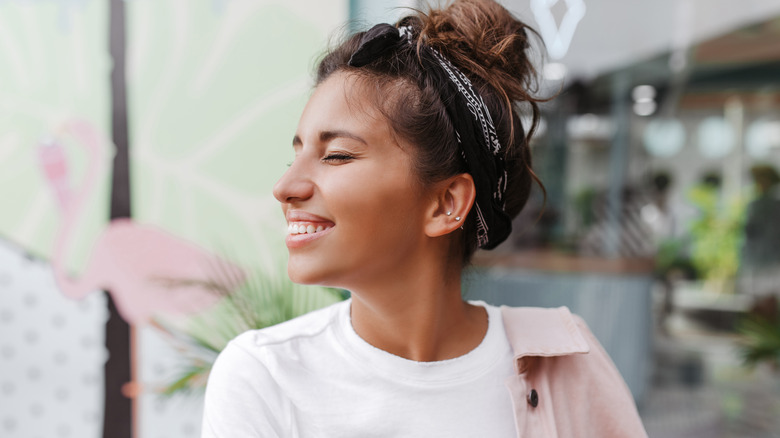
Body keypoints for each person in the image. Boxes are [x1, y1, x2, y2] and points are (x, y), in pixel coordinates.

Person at [202, 1, 647, 436]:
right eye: (294, 157)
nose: (286, 188)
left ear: (446, 203)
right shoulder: (265, 376)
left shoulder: (566, 361)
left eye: (336, 156)